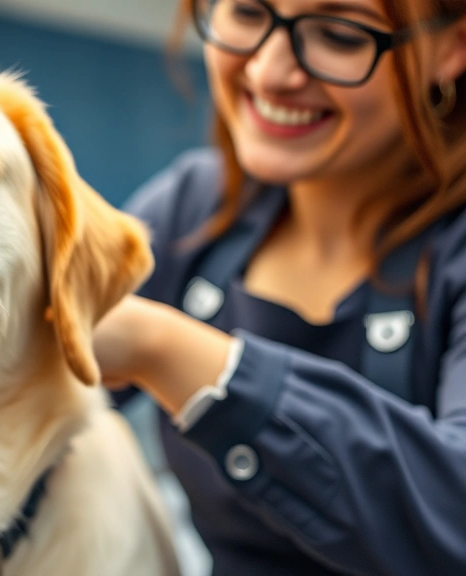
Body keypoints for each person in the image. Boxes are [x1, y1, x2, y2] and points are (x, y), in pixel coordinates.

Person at [92, 0, 466, 574]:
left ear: (453, 46)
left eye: (339, 35)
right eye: (245, 11)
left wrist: (169, 351)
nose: (270, 72)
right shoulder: (196, 206)